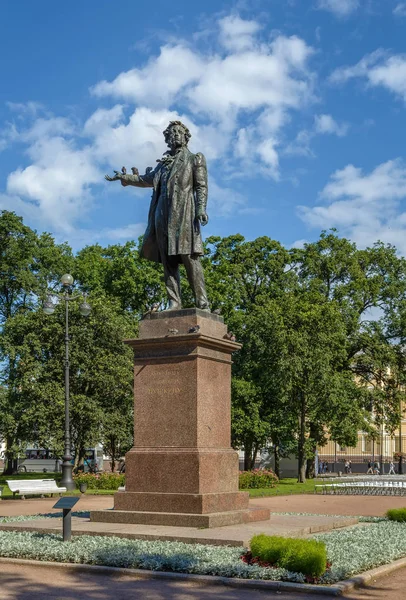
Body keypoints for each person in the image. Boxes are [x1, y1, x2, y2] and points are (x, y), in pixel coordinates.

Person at [105, 121, 210, 311]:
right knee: (167, 259)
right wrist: (125, 179)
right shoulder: (162, 165)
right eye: (172, 133)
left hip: (185, 212)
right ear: (168, 139)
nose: (176, 135)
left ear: (186, 137)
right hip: (162, 215)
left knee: (189, 257)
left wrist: (201, 208)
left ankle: (201, 301)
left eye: (179, 132)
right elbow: (146, 180)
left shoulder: (195, 158)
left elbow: (201, 186)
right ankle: (174, 301)